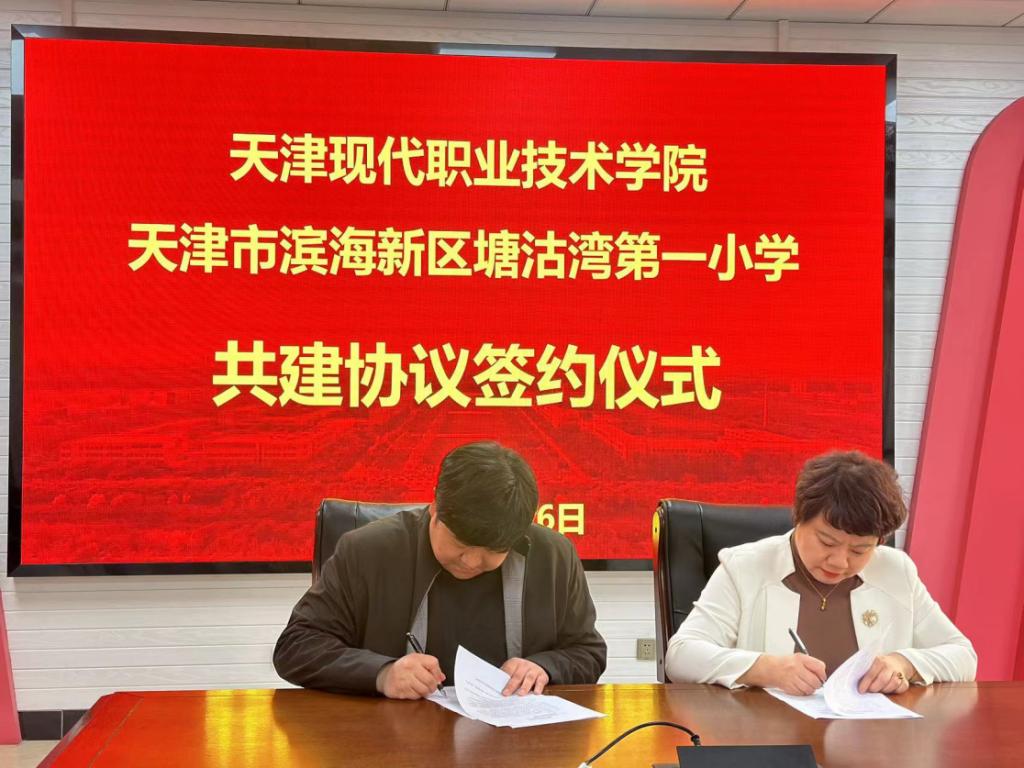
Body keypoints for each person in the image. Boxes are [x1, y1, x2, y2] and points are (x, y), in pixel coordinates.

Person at [274, 440, 606, 699]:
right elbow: (296, 646)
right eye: (461, 544)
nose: (471, 562)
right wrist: (382, 673)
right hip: (391, 744)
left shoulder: (553, 556)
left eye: (492, 552)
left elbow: (588, 652)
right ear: (435, 506)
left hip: (518, 742)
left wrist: (544, 667)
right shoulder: (369, 551)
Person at [664, 450, 976, 695]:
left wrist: (903, 663)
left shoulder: (896, 571)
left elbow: (963, 656)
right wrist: (766, 669)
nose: (839, 562)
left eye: (859, 550)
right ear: (799, 517)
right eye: (827, 542)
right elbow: (681, 656)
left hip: (871, 743)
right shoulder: (745, 567)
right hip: (770, 742)